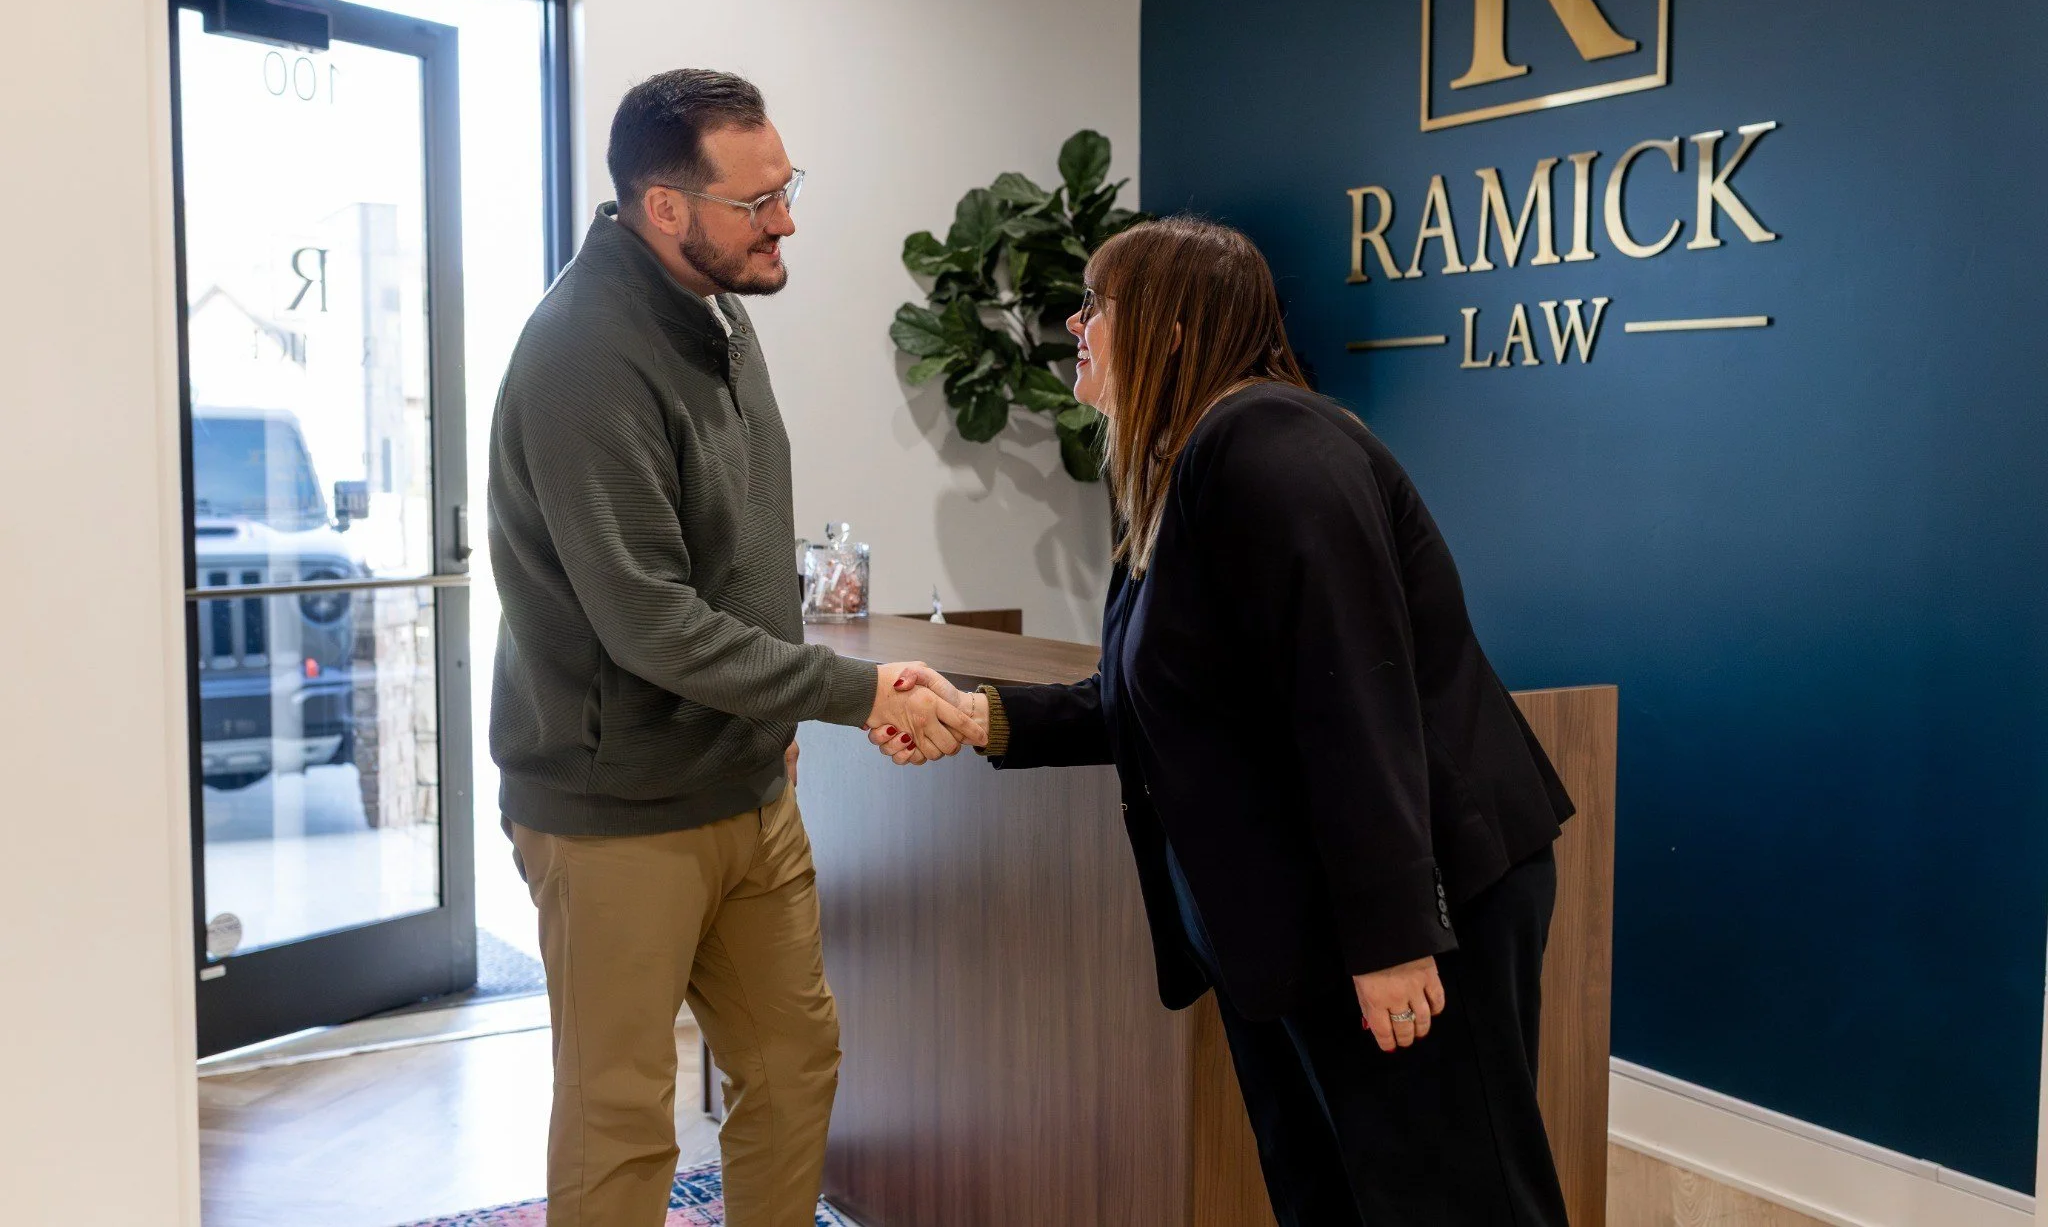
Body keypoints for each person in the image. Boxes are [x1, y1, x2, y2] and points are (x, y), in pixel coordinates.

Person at [877, 217, 1576, 1225]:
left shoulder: (1275, 448)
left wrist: (1388, 939)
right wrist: (981, 716)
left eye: (1095, 305)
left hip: (1406, 908)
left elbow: (1352, 702)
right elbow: (1163, 699)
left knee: (1456, 1200)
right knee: (1327, 1194)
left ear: (1165, 329)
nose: (1075, 325)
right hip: (1296, 919)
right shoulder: (1182, 463)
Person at [488, 69, 981, 1226]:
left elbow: (742, 550)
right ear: (664, 208)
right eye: (757, 201)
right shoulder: (581, 356)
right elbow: (648, 619)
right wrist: (852, 693)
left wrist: (772, 719)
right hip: (612, 808)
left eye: (786, 187)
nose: (785, 220)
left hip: (743, 784)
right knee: (619, 1114)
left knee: (795, 1066)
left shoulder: (720, 312)